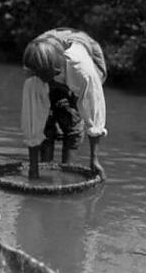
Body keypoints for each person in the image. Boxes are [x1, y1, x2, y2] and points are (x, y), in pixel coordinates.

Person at [20, 28, 107, 179]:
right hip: (50, 54)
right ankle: (43, 166)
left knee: (72, 124)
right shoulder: (34, 75)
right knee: (47, 125)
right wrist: (33, 169)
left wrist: (94, 160)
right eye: (39, 76)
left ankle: (68, 172)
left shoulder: (83, 71)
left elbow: (94, 113)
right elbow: (32, 120)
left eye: (45, 76)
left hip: (81, 57)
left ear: (55, 70)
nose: (41, 80)